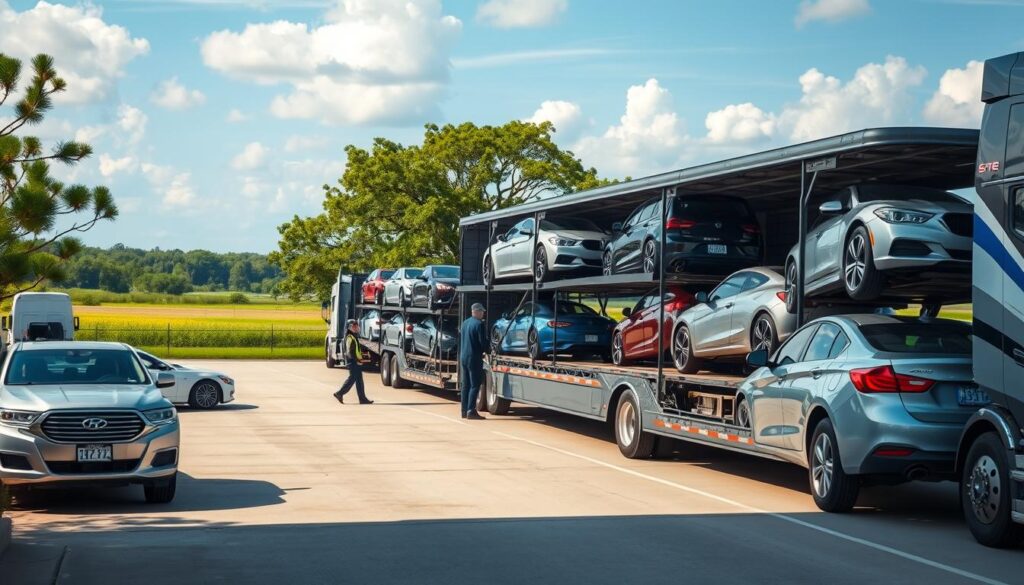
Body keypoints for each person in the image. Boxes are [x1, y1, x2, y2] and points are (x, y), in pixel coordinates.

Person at [459, 303, 489, 419]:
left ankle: (464, 410)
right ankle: (471, 410)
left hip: (464, 357)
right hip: (474, 358)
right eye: (481, 311)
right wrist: (488, 349)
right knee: (475, 384)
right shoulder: (479, 324)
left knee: (465, 385)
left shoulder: (465, 323)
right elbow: (482, 343)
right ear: (476, 311)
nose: (483, 314)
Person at [334, 319, 373, 405]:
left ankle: (362, 399)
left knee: (359, 380)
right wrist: (356, 360)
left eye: (356, 325)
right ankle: (339, 393)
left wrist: (362, 355)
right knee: (352, 378)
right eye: (354, 326)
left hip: (355, 361)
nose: (356, 327)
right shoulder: (349, 337)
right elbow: (350, 351)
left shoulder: (353, 336)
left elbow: (355, 350)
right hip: (353, 362)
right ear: (350, 327)